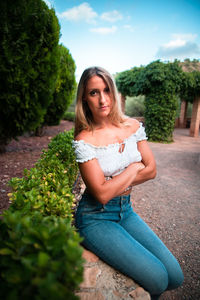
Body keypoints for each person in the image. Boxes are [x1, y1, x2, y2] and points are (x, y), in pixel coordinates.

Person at [72, 66, 184, 299]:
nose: (103, 99)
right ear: (84, 97)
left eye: (106, 90)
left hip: (126, 210)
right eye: (94, 93)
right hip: (95, 217)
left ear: (113, 92)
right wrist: (134, 167)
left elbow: (151, 170)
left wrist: (113, 182)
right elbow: (101, 194)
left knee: (174, 276)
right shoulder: (84, 139)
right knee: (158, 280)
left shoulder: (132, 126)